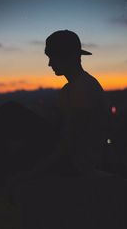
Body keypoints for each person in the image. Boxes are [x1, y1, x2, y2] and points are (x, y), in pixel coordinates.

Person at [24, 30, 109, 179]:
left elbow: (69, 141)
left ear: (68, 58)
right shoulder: (70, 89)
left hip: (77, 165)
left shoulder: (83, 88)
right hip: (73, 161)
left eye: (53, 58)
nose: (49, 64)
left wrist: (33, 172)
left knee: (11, 112)